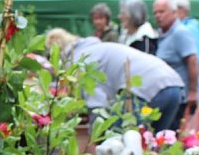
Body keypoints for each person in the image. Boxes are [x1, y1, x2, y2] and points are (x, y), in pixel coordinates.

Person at [45, 28, 185, 132]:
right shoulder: (97, 48)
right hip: (174, 84)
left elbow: (96, 104)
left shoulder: (80, 61)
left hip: (145, 88)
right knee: (153, 144)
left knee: (119, 138)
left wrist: (95, 137)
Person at [152, 0, 199, 126]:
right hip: (165, 95)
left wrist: (193, 92)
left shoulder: (181, 33)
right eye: (155, 13)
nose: (158, 16)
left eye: (162, 12)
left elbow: (193, 60)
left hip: (180, 98)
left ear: (174, 12)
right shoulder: (161, 34)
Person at [173, 0, 199, 104]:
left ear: (182, 11)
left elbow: (195, 59)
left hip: (192, 86)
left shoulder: (189, 29)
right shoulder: (189, 27)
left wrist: (193, 90)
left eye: (174, 12)